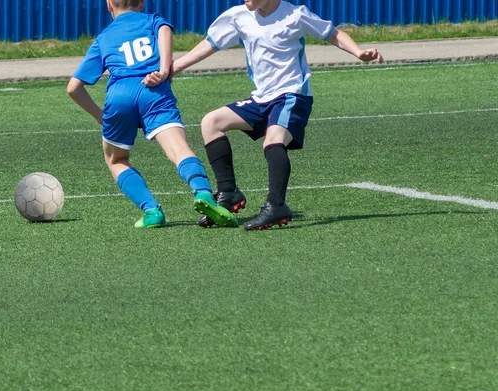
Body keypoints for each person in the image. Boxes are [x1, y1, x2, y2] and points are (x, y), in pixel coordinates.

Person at [145, 0, 383, 230]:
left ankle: (277, 206)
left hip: (292, 95)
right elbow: (210, 44)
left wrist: (359, 52)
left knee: (273, 140)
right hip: (261, 98)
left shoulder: (295, 15)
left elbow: (332, 33)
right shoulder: (238, 16)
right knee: (211, 122)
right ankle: (228, 192)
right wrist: (171, 69)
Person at [67, 0, 238, 228]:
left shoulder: (103, 37)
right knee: (178, 149)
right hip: (154, 91)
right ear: (141, 3)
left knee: (116, 160)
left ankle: (151, 210)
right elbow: (164, 30)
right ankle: (204, 194)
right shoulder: (153, 21)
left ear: (109, 4)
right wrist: (164, 70)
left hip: (119, 97)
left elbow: (73, 88)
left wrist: (101, 116)